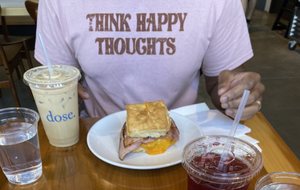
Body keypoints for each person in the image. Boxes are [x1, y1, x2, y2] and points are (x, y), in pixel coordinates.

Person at [35, 0, 264, 120]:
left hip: (180, 135)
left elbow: (220, 83)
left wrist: (235, 95)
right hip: (98, 132)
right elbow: (52, 80)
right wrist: (59, 91)